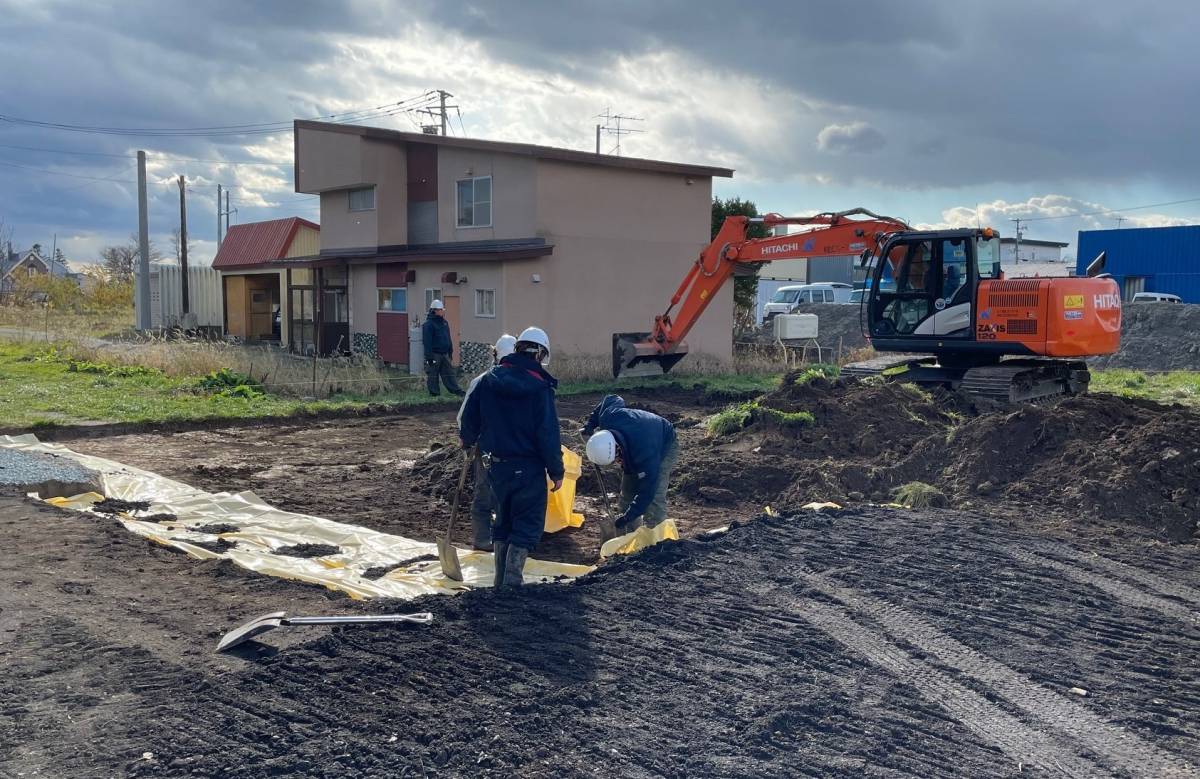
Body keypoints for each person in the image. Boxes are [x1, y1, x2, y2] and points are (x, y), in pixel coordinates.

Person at [459, 326, 563, 588]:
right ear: (539, 355)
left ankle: (500, 583)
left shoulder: (487, 380)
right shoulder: (540, 389)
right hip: (528, 469)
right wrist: (556, 471)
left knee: (503, 521)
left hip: (496, 467)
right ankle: (512, 586)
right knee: (526, 524)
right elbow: (547, 434)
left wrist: (469, 441)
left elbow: (468, 421)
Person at [457, 333, 518, 551]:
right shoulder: (486, 382)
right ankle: (490, 539)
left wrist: (467, 440)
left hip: (494, 448)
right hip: (506, 449)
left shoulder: (482, 381)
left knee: (488, 492)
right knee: (493, 493)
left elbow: (463, 416)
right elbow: (466, 416)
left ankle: (490, 537)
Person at [583, 395, 678, 534]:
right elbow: (613, 398)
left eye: (616, 460)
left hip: (664, 442)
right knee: (627, 495)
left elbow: (647, 490)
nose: (617, 463)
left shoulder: (645, 454)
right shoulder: (608, 417)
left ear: (618, 449)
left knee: (655, 501)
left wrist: (630, 515)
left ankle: (659, 542)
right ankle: (629, 536)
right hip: (634, 440)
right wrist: (590, 424)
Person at [421, 300, 463, 397]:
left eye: (442, 309)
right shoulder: (428, 325)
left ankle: (456, 391)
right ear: (434, 311)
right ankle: (434, 394)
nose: (442, 311)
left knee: (449, 373)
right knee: (433, 375)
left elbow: (448, 337)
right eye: (440, 310)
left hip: (445, 353)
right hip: (435, 354)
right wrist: (429, 357)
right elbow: (427, 342)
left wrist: (450, 350)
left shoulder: (444, 323)